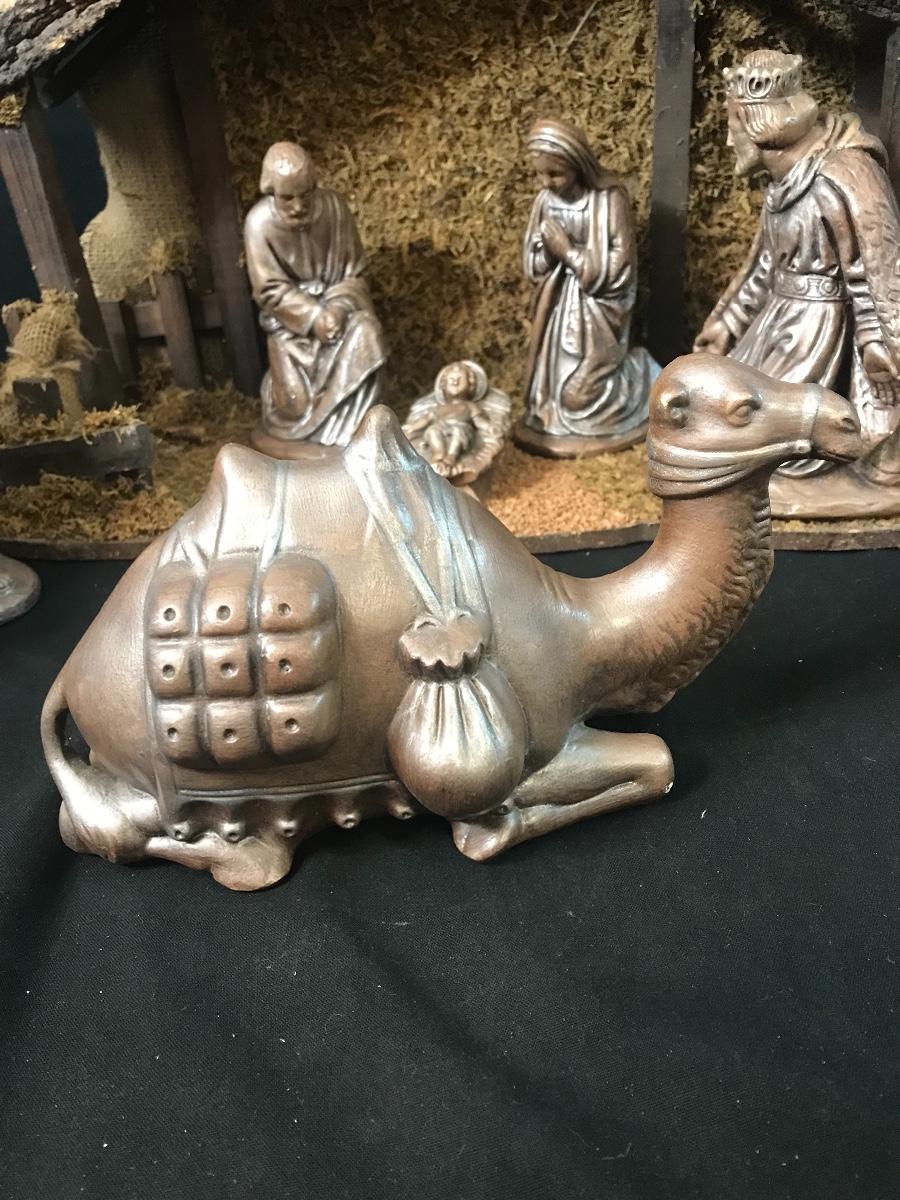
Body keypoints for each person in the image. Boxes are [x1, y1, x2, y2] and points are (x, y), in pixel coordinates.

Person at [694, 50, 900, 484]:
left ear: (759, 127)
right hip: (775, 319)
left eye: (733, 126)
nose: (729, 141)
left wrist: (874, 341)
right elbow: (763, 268)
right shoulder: (781, 187)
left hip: (813, 330)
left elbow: (866, 272)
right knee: (725, 411)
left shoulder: (835, 180)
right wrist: (729, 322)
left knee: (764, 433)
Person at [517, 118, 657, 457]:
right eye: (540, 174)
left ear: (578, 165)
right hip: (557, 310)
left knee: (577, 397)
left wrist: (568, 252)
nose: (547, 183)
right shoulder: (545, 200)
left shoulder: (608, 199)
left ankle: (645, 373)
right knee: (550, 393)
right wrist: (545, 253)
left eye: (556, 174)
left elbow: (620, 267)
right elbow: (533, 263)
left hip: (598, 311)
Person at [244, 142, 387, 448]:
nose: (298, 206)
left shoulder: (334, 209)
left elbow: (354, 273)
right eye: (287, 198)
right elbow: (268, 289)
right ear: (271, 192)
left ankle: (356, 432)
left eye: (305, 195)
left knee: (368, 333)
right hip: (291, 328)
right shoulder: (258, 223)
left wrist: (337, 308)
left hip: (341, 316)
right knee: (293, 406)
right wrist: (313, 316)